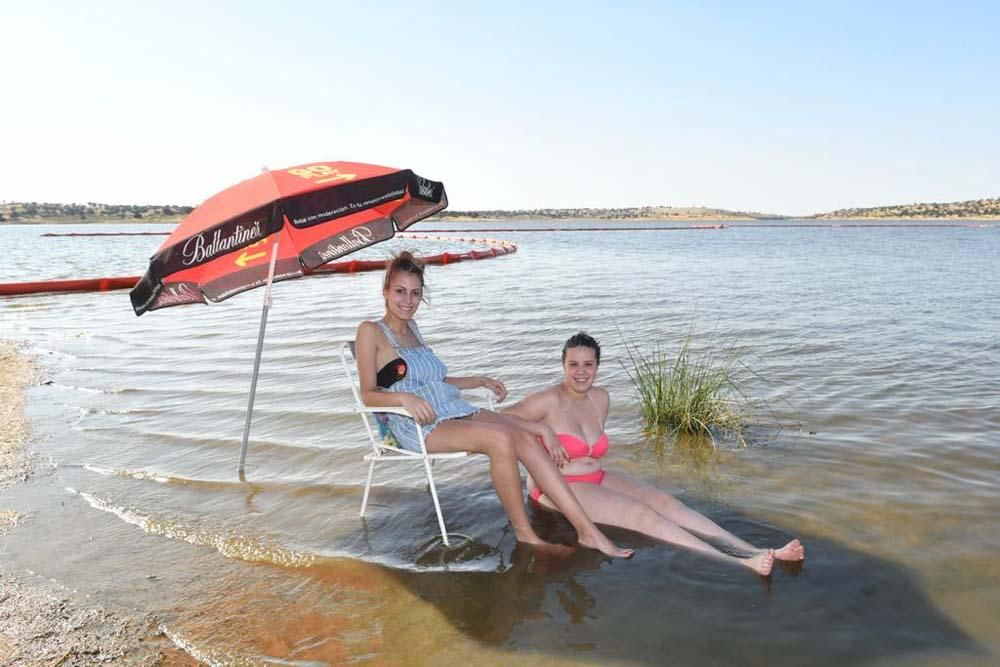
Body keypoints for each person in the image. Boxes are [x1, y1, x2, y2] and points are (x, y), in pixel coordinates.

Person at [354, 252, 632, 559]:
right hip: (417, 423)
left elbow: (435, 381)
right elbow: (368, 394)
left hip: (450, 408)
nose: (408, 300)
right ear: (385, 291)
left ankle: (587, 532)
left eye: (416, 293)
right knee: (502, 439)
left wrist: (478, 380)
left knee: (529, 435)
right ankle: (526, 535)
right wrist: (402, 398)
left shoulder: (413, 328)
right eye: (400, 291)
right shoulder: (371, 331)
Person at [503, 332, 806, 576]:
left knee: (668, 504)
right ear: (563, 365)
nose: (581, 372)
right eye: (573, 365)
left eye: (588, 364)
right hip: (557, 487)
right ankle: (739, 563)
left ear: (597, 366)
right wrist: (542, 432)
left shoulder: (601, 398)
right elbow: (499, 419)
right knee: (641, 515)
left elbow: (590, 450)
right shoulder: (546, 400)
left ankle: (753, 549)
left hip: (596, 476)